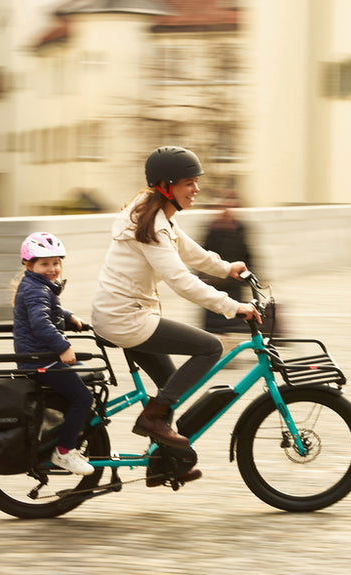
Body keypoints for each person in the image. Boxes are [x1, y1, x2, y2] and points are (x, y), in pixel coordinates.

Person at [90, 146, 261, 485]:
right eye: (189, 183)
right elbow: (181, 280)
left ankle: (161, 462)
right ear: (167, 185)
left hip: (124, 314)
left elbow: (189, 251)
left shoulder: (157, 213)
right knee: (210, 348)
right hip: (126, 319)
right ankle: (152, 421)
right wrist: (233, 306)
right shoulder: (150, 224)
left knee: (170, 389)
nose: (196, 189)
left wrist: (227, 268)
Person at [13, 232, 95, 476]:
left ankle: (70, 433)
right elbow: (40, 323)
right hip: (41, 359)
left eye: (56, 262)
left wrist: (68, 316)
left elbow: (47, 309)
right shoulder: (35, 289)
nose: (52, 268)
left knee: (86, 378)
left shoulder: (36, 286)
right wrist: (63, 347)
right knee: (83, 398)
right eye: (45, 263)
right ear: (30, 265)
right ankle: (64, 451)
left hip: (40, 356)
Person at [200, 192, 253, 335]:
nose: (227, 209)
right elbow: (201, 254)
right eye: (224, 205)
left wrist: (251, 276)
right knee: (214, 326)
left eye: (231, 205)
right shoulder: (212, 228)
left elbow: (248, 253)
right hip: (215, 284)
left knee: (232, 322)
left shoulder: (240, 227)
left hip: (234, 283)